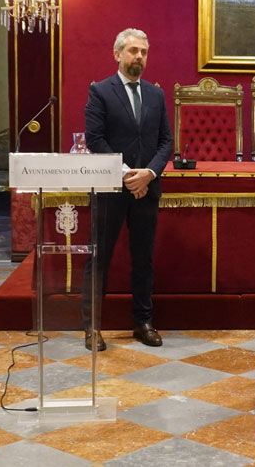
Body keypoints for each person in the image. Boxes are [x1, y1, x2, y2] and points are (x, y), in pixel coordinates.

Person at [82, 28, 173, 351]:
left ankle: (143, 322)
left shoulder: (156, 95)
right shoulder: (100, 91)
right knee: (100, 258)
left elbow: (166, 141)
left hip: (147, 188)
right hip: (111, 188)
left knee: (143, 259)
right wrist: (126, 175)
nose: (139, 57)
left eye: (144, 52)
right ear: (117, 54)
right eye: (133, 50)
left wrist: (148, 174)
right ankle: (92, 326)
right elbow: (95, 139)